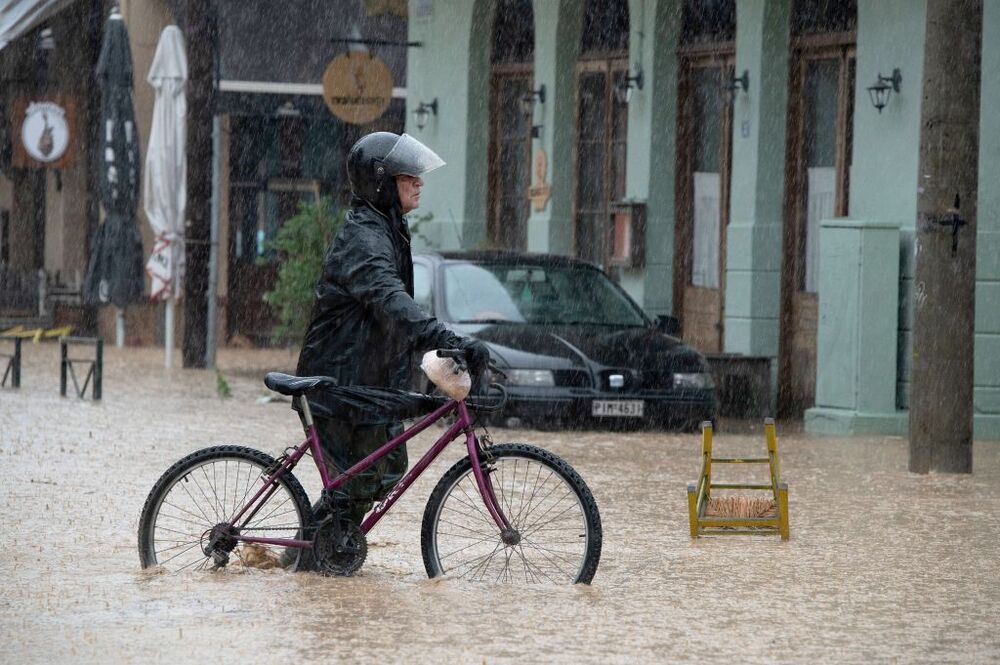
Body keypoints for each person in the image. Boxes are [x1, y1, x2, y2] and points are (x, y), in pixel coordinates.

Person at [295, 131, 490, 534]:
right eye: (408, 177)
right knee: (361, 480)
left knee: (386, 469)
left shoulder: (387, 228)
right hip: (340, 383)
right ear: (382, 183)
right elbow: (393, 303)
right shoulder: (365, 240)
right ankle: (313, 562)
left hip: (369, 381)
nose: (419, 182)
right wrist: (448, 340)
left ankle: (325, 556)